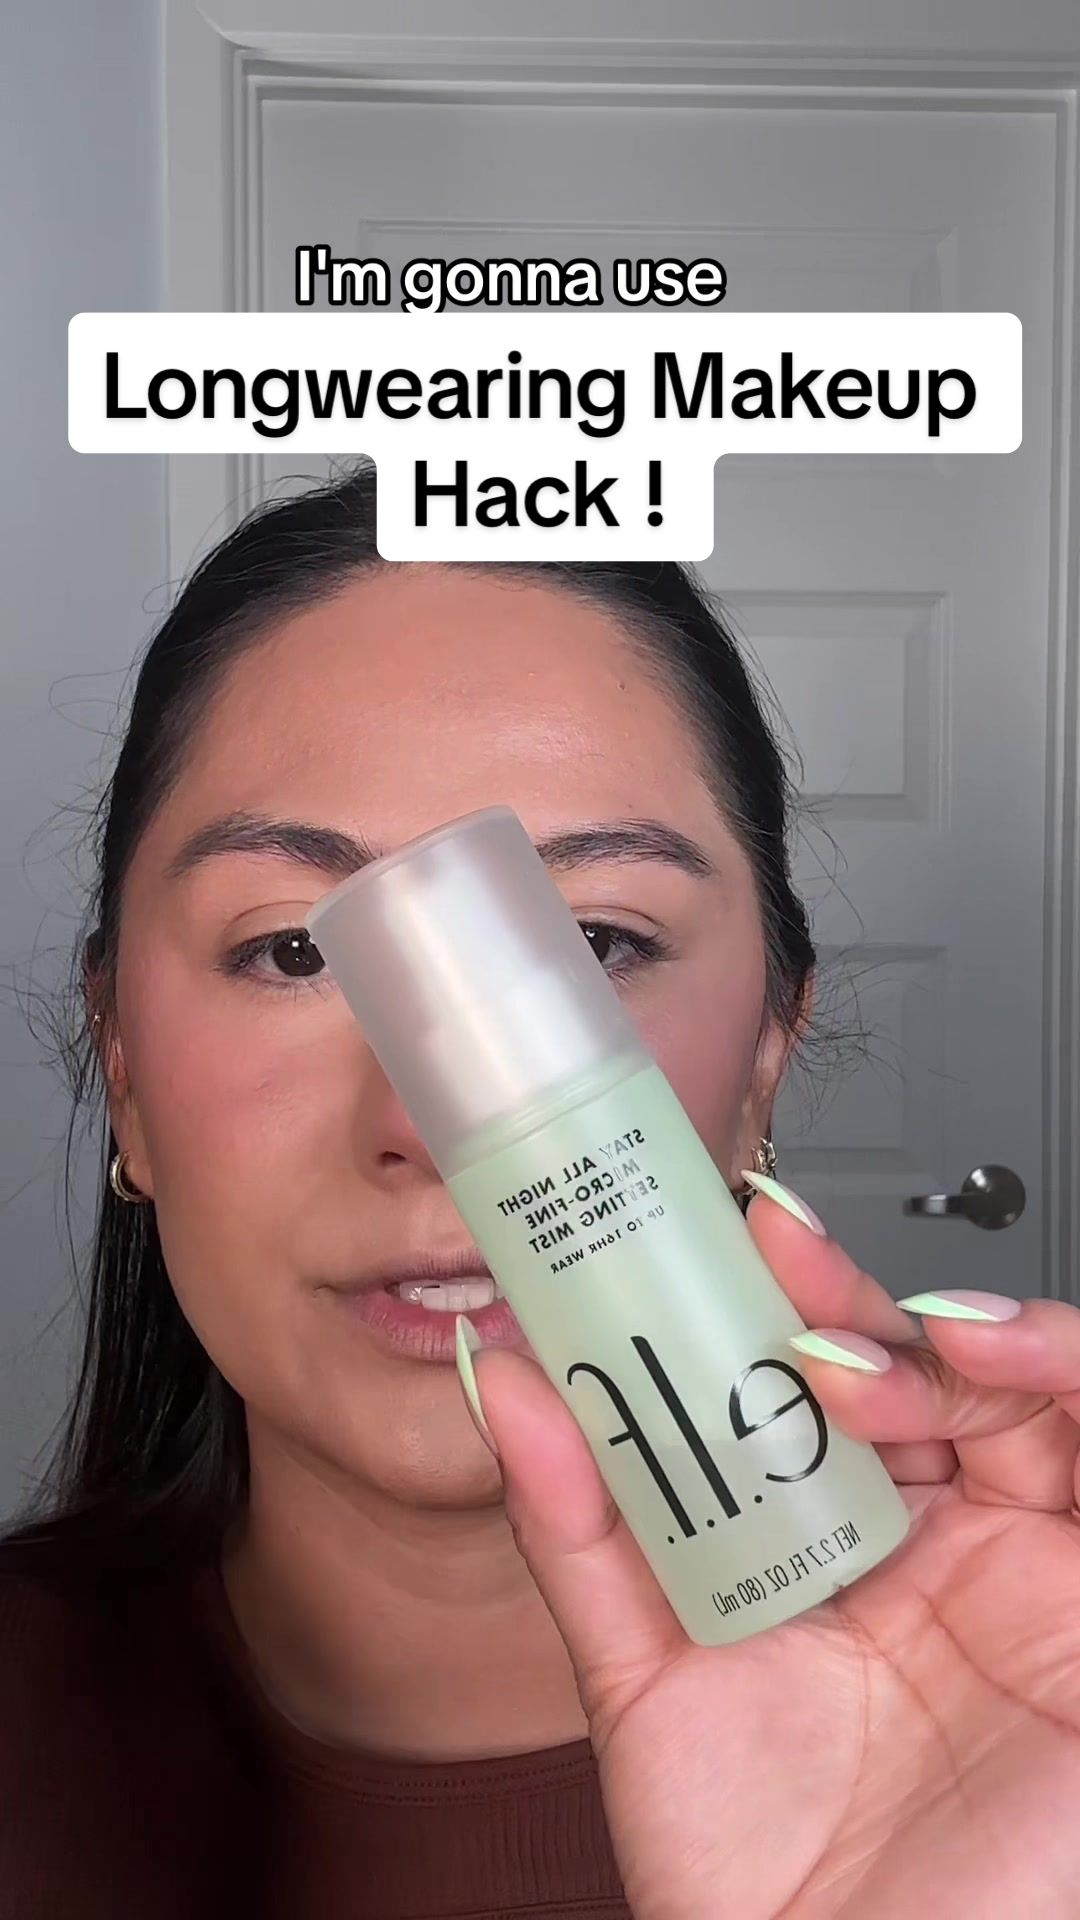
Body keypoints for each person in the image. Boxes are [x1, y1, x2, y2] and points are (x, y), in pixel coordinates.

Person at [1, 463, 1077, 1920]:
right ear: (123, 1069)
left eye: (596, 942)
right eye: (296, 951)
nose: (439, 1130)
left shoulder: (1039, 1735)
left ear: (768, 1054)